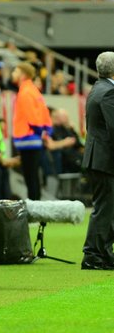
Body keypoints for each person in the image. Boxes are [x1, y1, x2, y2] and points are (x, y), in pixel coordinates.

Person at [81, 51, 114, 270]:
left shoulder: (98, 88)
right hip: (105, 160)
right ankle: (93, 255)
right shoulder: (109, 92)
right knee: (105, 209)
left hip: (98, 157)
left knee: (106, 208)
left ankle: (101, 253)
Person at [11, 62, 52, 200]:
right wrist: (46, 131)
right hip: (33, 138)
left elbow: (32, 117)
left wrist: (39, 130)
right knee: (33, 175)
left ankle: (34, 207)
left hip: (28, 138)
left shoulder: (25, 91)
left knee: (30, 177)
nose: (13, 74)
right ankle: (36, 205)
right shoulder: (33, 90)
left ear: (22, 74)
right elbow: (45, 113)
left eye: (15, 71)